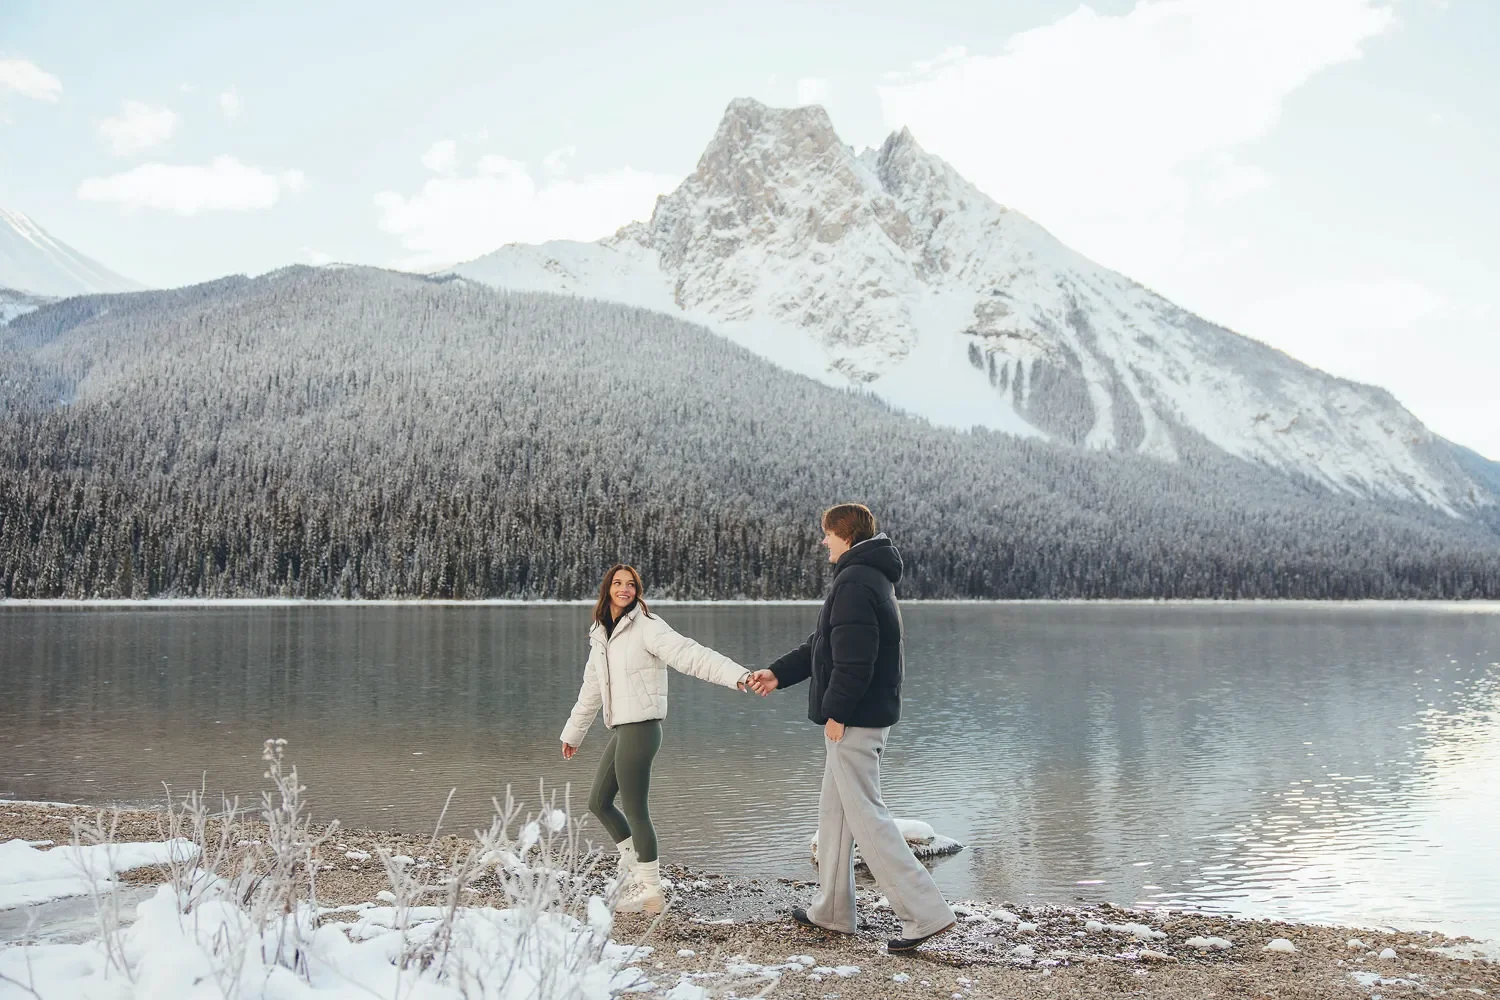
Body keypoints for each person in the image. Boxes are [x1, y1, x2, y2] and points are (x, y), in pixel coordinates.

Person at [748, 503, 956, 952]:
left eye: (826, 534)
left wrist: (836, 713)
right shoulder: (864, 576)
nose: (822, 541)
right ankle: (834, 911)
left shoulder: (856, 580)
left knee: (868, 819)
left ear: (842, 534)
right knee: (835, 815)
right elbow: (823, 644)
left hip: (854, 722)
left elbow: (855, 662)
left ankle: (924, 914)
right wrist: (777, 673)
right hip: (861, 717)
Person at [561, 563, 751, 914]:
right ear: (607, 589)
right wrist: (574, 733)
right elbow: (591, 689)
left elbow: (691, 655)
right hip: (623, 729)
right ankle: (633, 865)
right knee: (598, 802)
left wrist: (737, 675)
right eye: (617, 583)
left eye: (630, 584)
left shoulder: (648, 627)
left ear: (637, 591)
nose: (624, 589)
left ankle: (650, 889)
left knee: (635, 810)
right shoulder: (601, 635)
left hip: (643, 729)